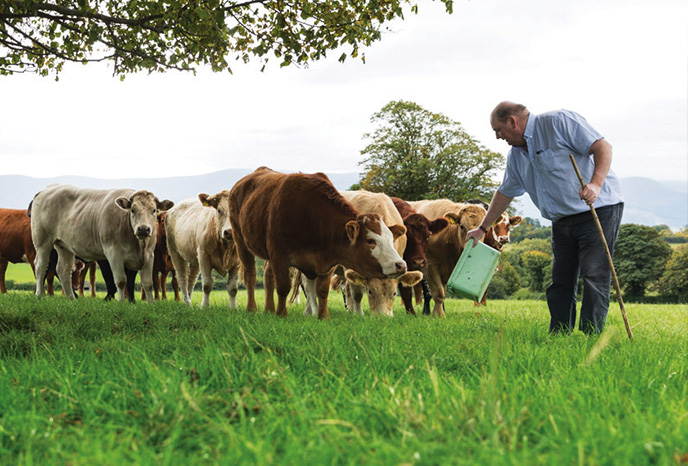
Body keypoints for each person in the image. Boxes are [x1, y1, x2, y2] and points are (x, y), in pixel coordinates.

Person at [466, 102, 624, 334]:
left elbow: (602, 147)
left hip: (596, 209)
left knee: (594, 273)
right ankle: (560, 333)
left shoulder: (559, 122)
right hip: (561, 219)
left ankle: (591, 334)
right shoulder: (516, 156)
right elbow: (505, 192)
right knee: (561, 278)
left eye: (498, 130)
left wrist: (595, 184)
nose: (498, 137)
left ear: (512, 121)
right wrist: (482, 228)